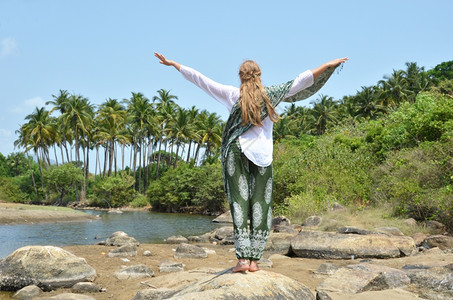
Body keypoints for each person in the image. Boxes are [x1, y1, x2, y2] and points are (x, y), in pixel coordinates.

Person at [154, 52, 348, 272]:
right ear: (259, 75)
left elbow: (201, 80)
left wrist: (174, 64)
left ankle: (243, 261)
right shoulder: (271, 95)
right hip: (263, 155)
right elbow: (302, 80)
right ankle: (255, 261)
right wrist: (327, 65)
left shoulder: (231, 94)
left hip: (236, 152)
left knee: (239, 203)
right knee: (261, 205)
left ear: (240, 76)